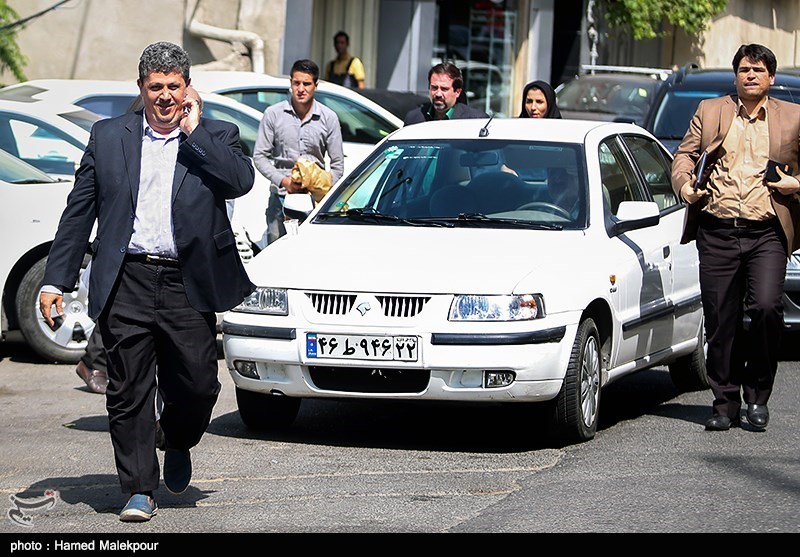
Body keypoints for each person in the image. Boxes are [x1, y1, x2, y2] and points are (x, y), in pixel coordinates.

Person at [39, 41, 255, 522]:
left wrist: (194, 133)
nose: (164, 96)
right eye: (155, 86)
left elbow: (240, 182)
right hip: (128, 279)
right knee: (128, 391)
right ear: (141, 88)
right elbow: (78, 214)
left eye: (173, 86)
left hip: (187, 283)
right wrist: (56, 280)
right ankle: (139, 488)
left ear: (187, 88)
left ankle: (176, 438)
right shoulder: (107, 136)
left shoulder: (217, 134)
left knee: (198, 386)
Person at [671, 43, 800, 432]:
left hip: (767, 231)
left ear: (771, 77)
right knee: (720, 318)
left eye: (758, 70)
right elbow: (684, 156)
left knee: (766, 308)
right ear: (736, 75)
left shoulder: (793, 116)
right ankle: (724, 402)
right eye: (744, 69)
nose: (750, 75)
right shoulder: (711, 110)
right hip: (718, 229)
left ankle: (757, 396)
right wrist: (685, 186)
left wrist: (795, 184)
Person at [253, 59, 344, 245]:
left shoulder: (329, 118)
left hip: (314, 201)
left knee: (311, 250)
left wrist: (324, 191)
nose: (301, 89)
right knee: (276, 250)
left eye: (306, 84)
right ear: (290, 83)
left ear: (316, 85)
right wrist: (284, 181)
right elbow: (259, 156)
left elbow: (338, 165)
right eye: (296, 83)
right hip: (281, 196)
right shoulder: (273, 114)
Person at [403, 62, 489, 125]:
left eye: (444, 89)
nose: (438, 94)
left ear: (457, 92)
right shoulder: (413, 119)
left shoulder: (476, 121)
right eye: (434, 88)